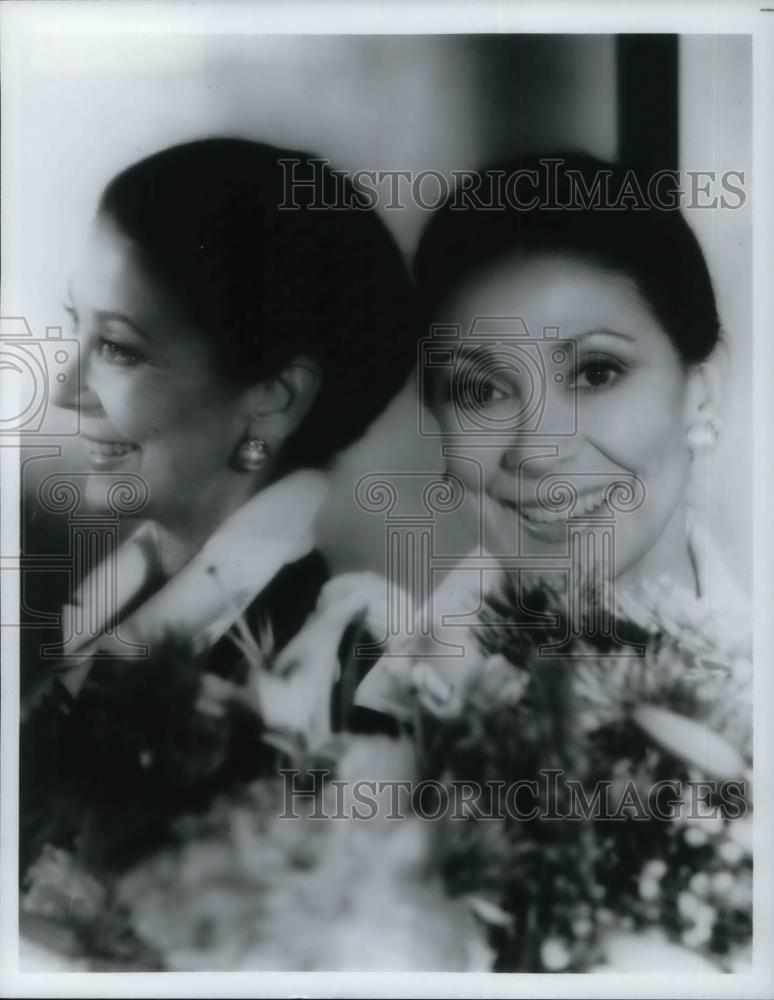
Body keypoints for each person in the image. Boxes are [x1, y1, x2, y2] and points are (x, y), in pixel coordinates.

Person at [20, 138, 415, 873]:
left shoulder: (332, 679)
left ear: (273, 398)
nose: (66, 390)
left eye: (119, 347)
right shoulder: (99, 598)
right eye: (80, 329)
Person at [354, 152, 749, 720]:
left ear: (701, 392)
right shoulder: (355, 720)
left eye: (595, 374)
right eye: (481, 392)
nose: (536, 450)